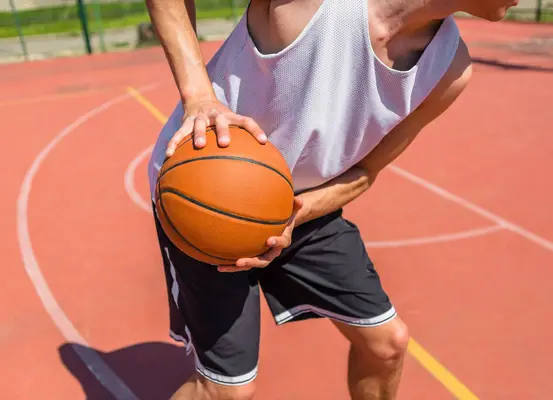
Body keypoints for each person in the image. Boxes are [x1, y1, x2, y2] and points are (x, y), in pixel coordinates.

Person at [145, 0, 517, 398]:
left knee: (386, 345)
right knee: (226, 389)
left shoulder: (450, 69)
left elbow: (364, 173)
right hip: (208, 194)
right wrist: (199, 96)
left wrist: (292, 216)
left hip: (304, 205)